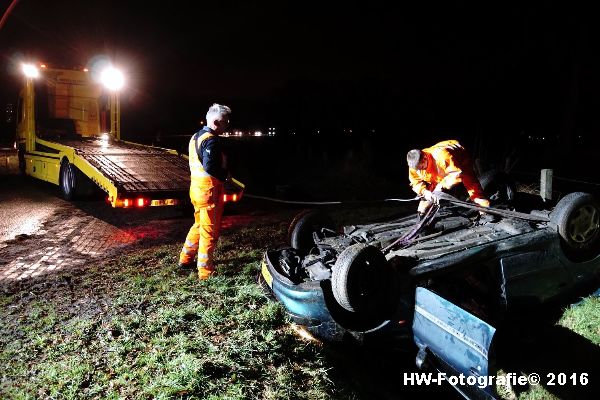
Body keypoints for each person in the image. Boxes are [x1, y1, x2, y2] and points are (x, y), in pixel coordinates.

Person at [179, 103, 231, 279]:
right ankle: (205, 272)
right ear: (216, 122)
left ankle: (185, 258)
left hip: (196, 190)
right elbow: (210, 167)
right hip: (209, 193)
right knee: (210, 232)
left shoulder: (195, 137)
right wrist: (225, 176)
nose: (227, 125)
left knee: (198, 225)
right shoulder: (211, 140)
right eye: (225, 122)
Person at [406, 140, 490, 218]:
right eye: (418, 169)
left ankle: (485, 211)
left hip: (460, 158)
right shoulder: (414, 166)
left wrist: (442, 185)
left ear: (425, 158)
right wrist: (424, 192)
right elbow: (415, 182)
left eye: (422, 167)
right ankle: (424, 219)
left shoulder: (442, 155)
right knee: (429, 196)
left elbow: (456, 173)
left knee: (470, 183)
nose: (420, 170)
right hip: (438, 171)